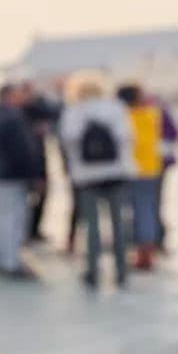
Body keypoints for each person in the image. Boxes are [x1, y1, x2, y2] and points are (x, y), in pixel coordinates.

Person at [58, 72, 136, 288]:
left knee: (91, 225)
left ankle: (92, 269)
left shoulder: (74, 111)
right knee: (119, 223)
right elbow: (127, 137)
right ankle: (122, 270)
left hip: (87, 177)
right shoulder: (116, 108)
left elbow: (68, 140)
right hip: (116, 173)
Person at [0, 84, 42, 280]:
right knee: (11, 221)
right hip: (12, 176)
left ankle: (6, 259)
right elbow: (23, 151)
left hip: (2, 174)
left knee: (5, 219)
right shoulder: (12, 118)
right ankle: (10, 262)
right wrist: (34, 175)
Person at [118, 83, 163, 270]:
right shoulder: (152, 114)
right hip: (152, 168)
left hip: (131, 169)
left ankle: (139, 252)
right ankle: (148, 251)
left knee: (134, 212)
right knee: (148, 210)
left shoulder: (123, 117)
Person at [20, 81, 57, 244]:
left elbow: (51, 113)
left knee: (42, 196)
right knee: (26, 200)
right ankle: (26, 231)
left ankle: (34, 229)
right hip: (25, 164)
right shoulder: (17, 112)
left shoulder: (36, 107)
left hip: (39, 160)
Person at [156, 98, 178, 253]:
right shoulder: (160, 108)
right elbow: (175, 132)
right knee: (156, 201)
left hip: (144, 165)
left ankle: (151, 238)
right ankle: (157, 238)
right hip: (160, 163)